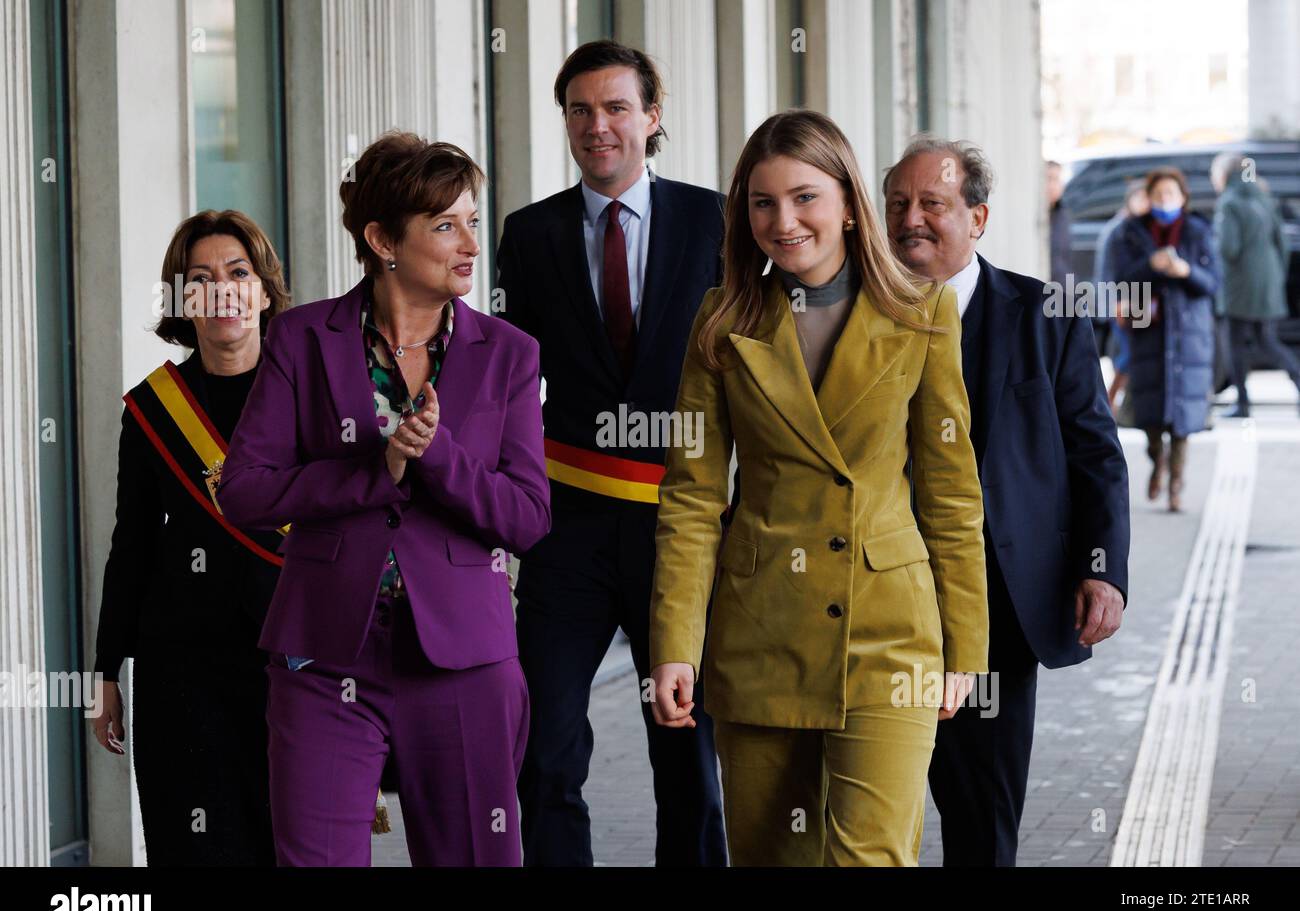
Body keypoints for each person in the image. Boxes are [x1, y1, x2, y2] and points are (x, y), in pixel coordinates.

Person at [648, 110, 989, 867]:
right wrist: (675, 645)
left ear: (845, 197)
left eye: (804, 197)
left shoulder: (922, 310)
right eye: (762, 203)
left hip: (889, 635)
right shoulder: (723, 319)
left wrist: (966, 645)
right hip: (761, 630)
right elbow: (692, 497)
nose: (784, 220)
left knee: (871, 858)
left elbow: (951, 493)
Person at [217, 132, 550, 866]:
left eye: (471, 219)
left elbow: (527, 516)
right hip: (325, 653)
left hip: (464, 660)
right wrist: (377, 470)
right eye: (444, 225)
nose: (469, 243)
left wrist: (439, 459)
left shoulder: (511, 354)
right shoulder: (301, 338)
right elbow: (242, 492)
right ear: (381, 239)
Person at [496, 39, 727, 867]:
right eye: (580, 110)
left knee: (684, 743)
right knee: (545, 740)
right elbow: (510, 383)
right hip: (571, 527)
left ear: (652, 117)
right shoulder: (529, 234)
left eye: (617, 107)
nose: (599, 127)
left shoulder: (717, 220)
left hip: (684, 526)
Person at [883, 134, 1130, 866]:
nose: (911, 219)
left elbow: (1093, 451)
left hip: (996, 606)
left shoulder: (1044, 314)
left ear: (978, 217)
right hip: (877, 598)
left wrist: (1103, 568)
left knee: (982, 816)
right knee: (870, 810)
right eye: (897, 203)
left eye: (933, 203)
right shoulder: (857, 313)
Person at [90, 209, 290, 865]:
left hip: (289, 660)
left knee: (286, 845)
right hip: (183, 668)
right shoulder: (154, 408)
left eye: (238, 271)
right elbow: (133, 546)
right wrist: (105, 669)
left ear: (264, 289)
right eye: (200, 278)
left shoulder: (308, 396)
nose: (222, 288)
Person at [1112, 166, 1221, 511]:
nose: (1164, 201)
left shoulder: (1199, 231)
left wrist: (1185, 271)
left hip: (1190, 334)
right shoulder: (1131, 232)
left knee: (1184, 417)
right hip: (1149, 330)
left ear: (1183, 198)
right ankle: (1156, 458)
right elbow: (1121, 278)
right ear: (1149, 197)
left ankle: (1176, 483)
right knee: (1150, 410)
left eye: (1170, 195)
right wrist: (1151, 265)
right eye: (1158, 195)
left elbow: (1213, 283)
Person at [1211, 150, 1300, 416]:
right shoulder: (1263, 197)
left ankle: (1242, 403)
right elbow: (1281, 244)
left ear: (1225, 174)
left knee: (1234, 343)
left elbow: (1229, 248)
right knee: (1267, 341)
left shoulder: (1229, 203)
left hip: (1239, 286)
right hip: (1269, 282)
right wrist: (1274, 275)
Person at [1094, 181, 1150, 412]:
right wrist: (1116, 304)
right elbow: (1107, 273)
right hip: (1121, 303)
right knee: (1127, 355)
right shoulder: (1119, 229)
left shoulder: (1138, 228)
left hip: (1136, 302)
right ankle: (1109, 404)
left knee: (1131, 356)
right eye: (1140, 199)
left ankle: (1117, 405)